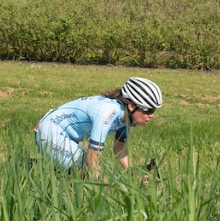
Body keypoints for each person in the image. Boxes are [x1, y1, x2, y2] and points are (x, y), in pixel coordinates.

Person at [35, 76, 163, 179]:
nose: (152, 116)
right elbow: (93, 157)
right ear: (131, 106)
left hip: (66, 134)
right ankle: (32, 168)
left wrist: (132, 174)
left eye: (154, 111)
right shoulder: (108, 112)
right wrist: (108, 185)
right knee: (86, 170)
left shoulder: (127, 118)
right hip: (50, 131)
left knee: (78, 172)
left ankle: (37, 168)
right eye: (148, 110)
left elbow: (119, 147)